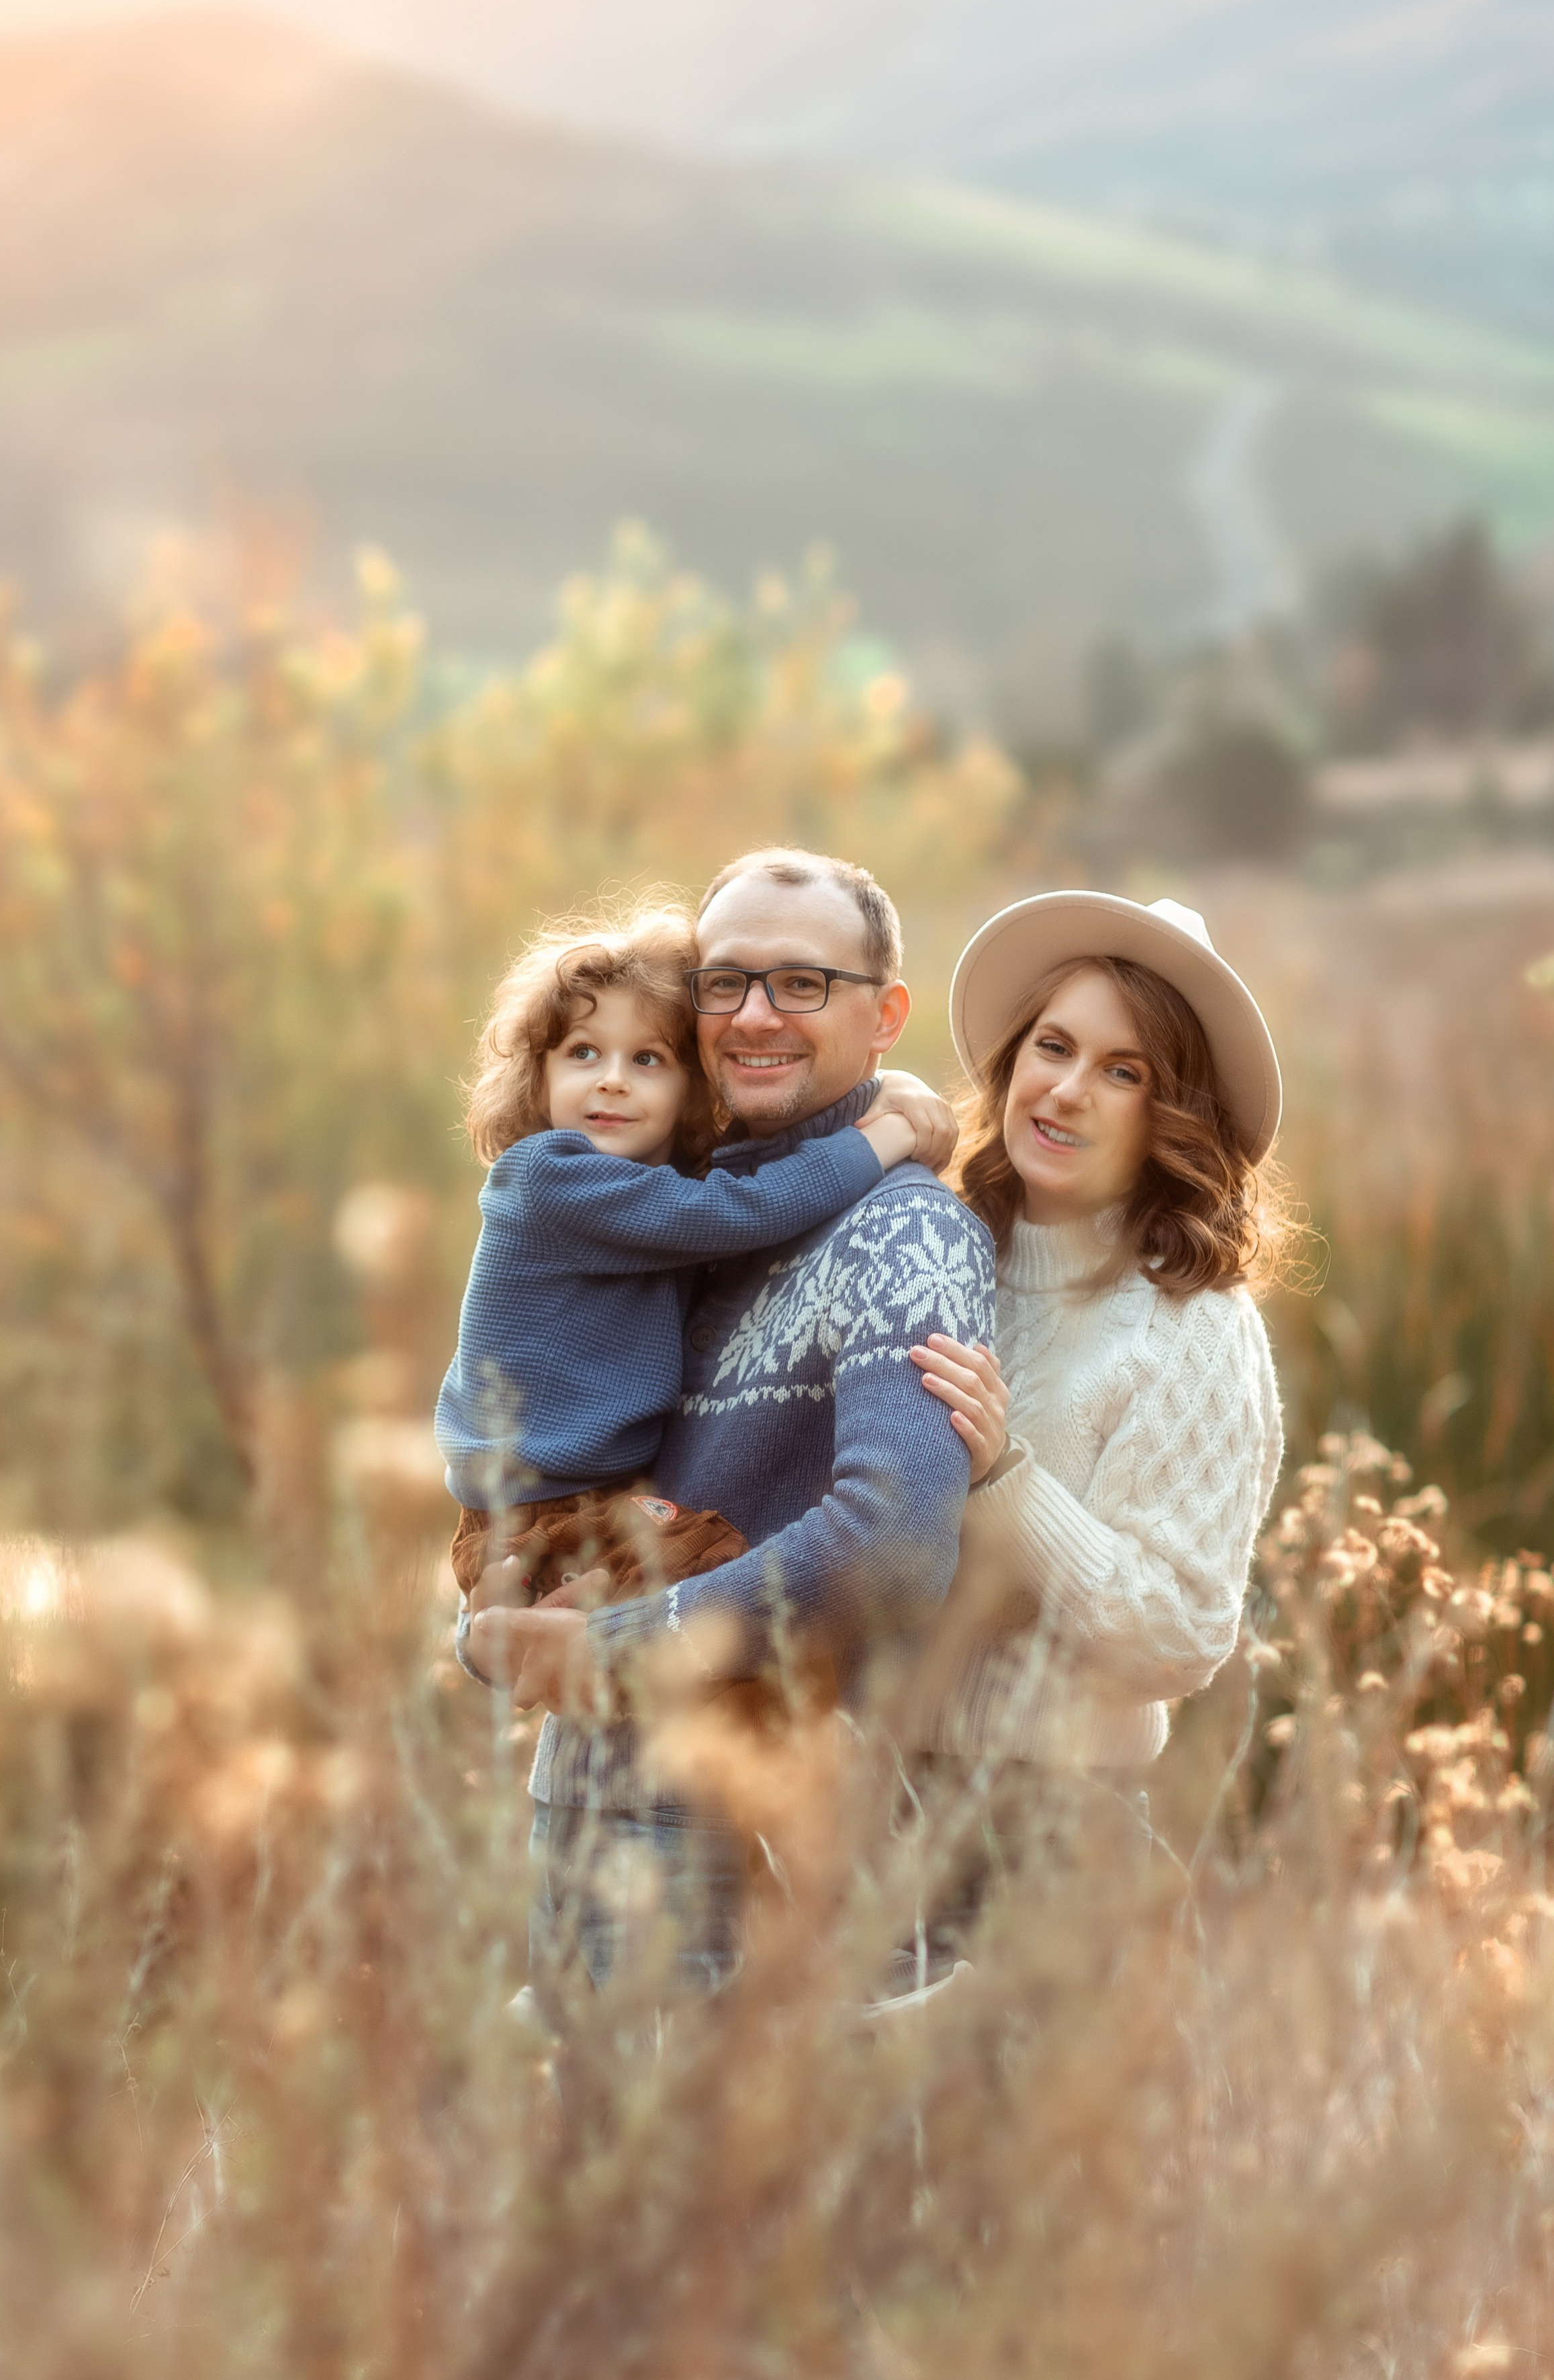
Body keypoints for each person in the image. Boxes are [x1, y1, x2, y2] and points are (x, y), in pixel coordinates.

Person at [466, 848, 1001, 2003]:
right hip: (589, 1801)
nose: (756, 1015)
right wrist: (496, 1617)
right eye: (725, 982)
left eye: (803, 983)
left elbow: (893, 1547)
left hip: (731, 1844)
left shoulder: (903, 1233)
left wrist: (615, 1642)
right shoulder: (676, 1211)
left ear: (885, 1015)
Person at [900, 892, 1289, 1978]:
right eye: (1054, 1046)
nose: (1068, 1090)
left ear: (1176, 1117)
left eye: (1125, 1072)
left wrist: (1005, 1477)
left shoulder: (1190, 1327)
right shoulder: (924, 1251)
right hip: (856, 1808)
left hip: (1050, 1839)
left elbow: (1179, 1633)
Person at [437, 899, 921, 1609]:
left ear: (691, 1088)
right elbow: (750, 1205)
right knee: (720, 1579)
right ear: (537, 1077)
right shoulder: (549, 1178)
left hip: (593, 1501)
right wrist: (887, 1136)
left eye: (647, 1059)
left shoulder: (656, 1197)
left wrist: (888, 1085)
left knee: (701, 1593)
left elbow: (752, 1175)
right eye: (582, 1052)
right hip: (540, 1513)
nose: (611, 1079)